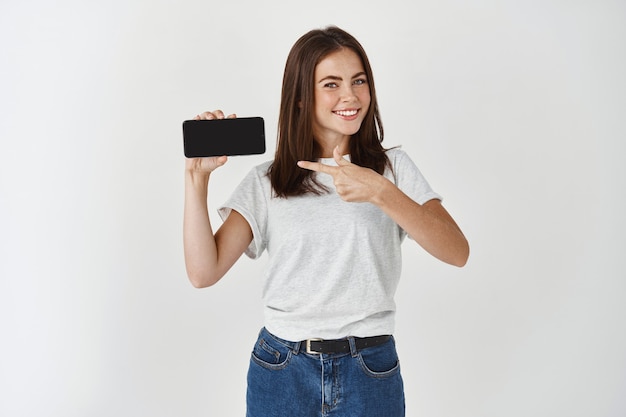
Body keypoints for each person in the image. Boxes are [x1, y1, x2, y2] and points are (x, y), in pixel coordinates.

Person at [183, 26, 469, 417]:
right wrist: (196, 181)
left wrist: (380, 191)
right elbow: (203, 271)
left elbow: (457, 251)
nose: (350, 96)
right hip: (282, 368)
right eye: (331, 84)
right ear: (301, 98)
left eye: (359, 81)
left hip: (370, 369)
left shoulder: (393, 169)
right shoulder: (270, 181)